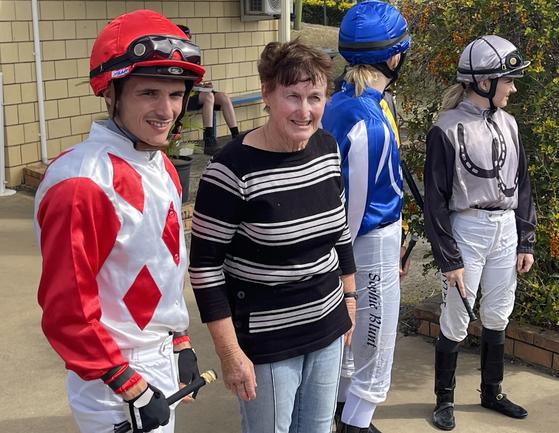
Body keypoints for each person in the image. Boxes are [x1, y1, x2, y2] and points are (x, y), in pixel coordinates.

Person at [35, 10, 206, 433]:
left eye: (175, 93)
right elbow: (67, 310)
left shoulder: (161, 166)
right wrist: (128, 385)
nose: (166, 110)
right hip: (114, 377)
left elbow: (162, 268)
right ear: (111, 93)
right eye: (149, 92)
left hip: (157, 360)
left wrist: (179, 341)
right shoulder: (82, 182)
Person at [188, 39, 356, 433]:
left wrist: (349, 300)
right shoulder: (231, 171)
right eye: (292, 96)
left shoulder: (327, 148)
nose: (305, 109)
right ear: (266, 93)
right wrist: (229, 353)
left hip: (328, 327)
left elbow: (340, 232)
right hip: (267, 341)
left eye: (315, 96)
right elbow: (205, 269)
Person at [423, 35, 537, 431]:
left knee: (498, 312)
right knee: (455, 315)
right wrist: (448, 258)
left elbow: (523, 185)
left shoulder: (510, 123)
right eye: (508, 80)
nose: (513, 88)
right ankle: (445, 399)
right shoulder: (446, 129)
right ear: (484, 82)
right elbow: (435, 201)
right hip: (466, 228)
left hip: (505, 227)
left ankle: (492, 391)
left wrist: (526, 239)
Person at [321, 2, 411, 432]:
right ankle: (356, 423)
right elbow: (352, 211)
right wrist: (349, 270)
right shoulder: (368, 119)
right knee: (376, 340)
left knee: (352, 337)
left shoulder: (339, 103)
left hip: (365, 239)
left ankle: (343, 412)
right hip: (367, 242)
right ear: (395, 57)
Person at [177, 24, 240, 154]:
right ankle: (209, 140)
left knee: (223, 97)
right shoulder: (175, 54)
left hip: (195, 91)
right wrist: (197, 87)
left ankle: (236, 136)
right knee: (209, 97)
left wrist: (202, 85)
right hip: (183, 95)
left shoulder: (191, 54)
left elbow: (195, 77)